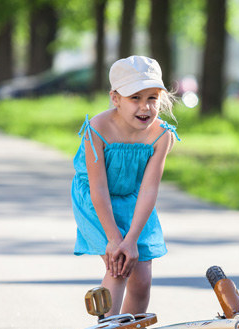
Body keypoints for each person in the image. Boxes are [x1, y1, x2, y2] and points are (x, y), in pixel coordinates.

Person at [71, 55, 179, 316]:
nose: (145, 107)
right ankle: (108, 322)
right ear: (116, 98)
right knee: (118, 266)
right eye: (135, 98)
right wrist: (115, 239)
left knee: (141, 282)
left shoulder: (161, 136)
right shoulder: (97, 129)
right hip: (96, 200)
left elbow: (149, 190)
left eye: (152, 98)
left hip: (134, 199)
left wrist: (131, 239)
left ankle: (130, 324)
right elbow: (98, 189)